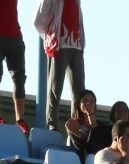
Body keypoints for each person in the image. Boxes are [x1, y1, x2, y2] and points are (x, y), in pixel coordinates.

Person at [33, 0, 84, 131]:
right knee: (55, 88)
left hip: (76, 45)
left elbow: (79, 19)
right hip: (59, 45)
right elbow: (38, 21)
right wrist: (50, 36)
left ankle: (76, 126)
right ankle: (52, 125)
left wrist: (82, 42)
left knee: (79, 92)